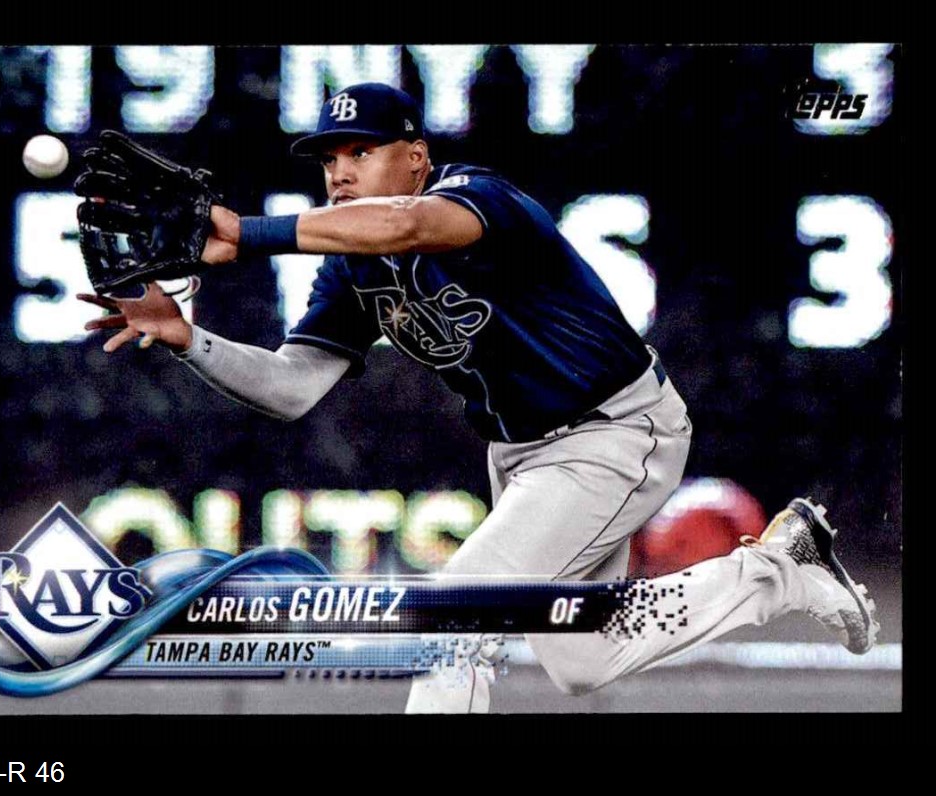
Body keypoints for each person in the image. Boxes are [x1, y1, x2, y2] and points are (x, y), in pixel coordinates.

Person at [79, 82, 879, 713]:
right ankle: (782, 571)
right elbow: (291, 389)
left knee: (451, 620)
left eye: (362, 150)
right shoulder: (351, 265)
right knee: (585, 654)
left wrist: (250, 233)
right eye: (328, 158)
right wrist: (186, 337)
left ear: (417, 158)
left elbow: (407, 227)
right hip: (526, 458)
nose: (340, 172)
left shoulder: (479, 199)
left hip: (616, 431)